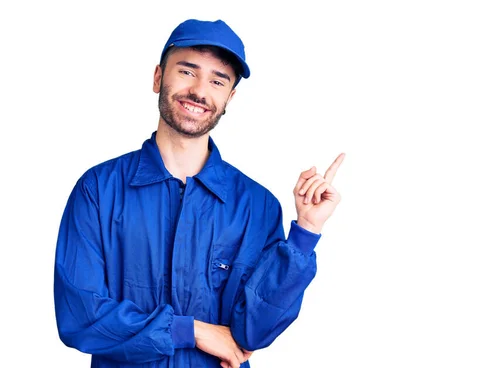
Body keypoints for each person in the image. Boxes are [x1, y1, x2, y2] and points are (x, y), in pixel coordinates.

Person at [53, 18, 345, 368]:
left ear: (229, 98)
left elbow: (253, 333)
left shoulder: (256, 206)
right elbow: (80, 318)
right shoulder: (99, 190)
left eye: (217, 80)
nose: (200, 91)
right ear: (158, 78)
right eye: (187, 72)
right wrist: (191, 331)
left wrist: (305, 233)